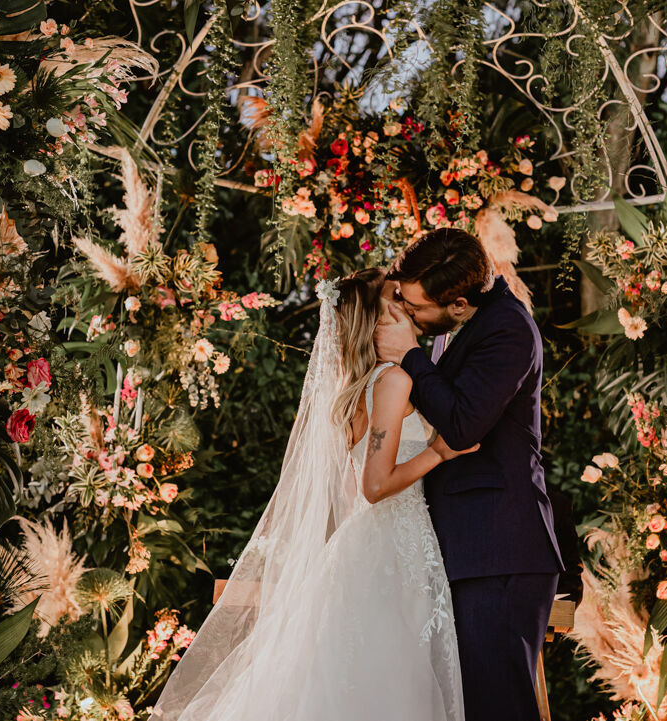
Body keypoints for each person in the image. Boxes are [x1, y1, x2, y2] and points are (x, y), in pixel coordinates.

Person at [152, 268, 472, 721]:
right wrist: (439, 452)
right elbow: (375, 486)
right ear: (375, 320)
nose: (405, 306)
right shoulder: (394, 382)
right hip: (388, 551)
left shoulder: (357, 386)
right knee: (387, 681)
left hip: (374, 546)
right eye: (394, 301)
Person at [375, 227, 565, 721]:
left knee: (498, 706)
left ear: (458, 304)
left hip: (496, 549)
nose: (409, 317)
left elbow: (461, 427)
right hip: (464, 549)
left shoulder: (508, 329)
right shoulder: (457, 326)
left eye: (416, 309)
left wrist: (408, 357)